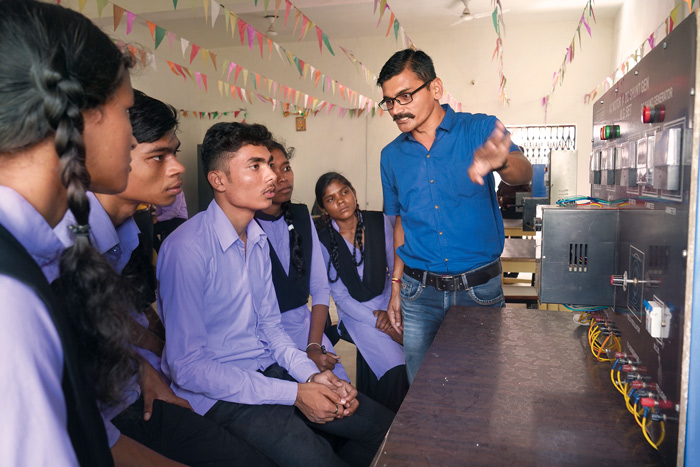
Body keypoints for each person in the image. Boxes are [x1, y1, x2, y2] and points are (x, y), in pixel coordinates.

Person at [55, 90, 275, 466]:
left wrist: (146, 364)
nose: (177, 167)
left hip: (140, 380)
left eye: (173, 152)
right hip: (107, 409)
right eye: (158, 156)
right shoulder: (69, 238)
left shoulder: (132, 229)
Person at [157, 122, 394, 466]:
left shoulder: (255, 237)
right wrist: (297, 392)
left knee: (383, 426)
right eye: (255, 166)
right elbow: (188, 368)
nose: (272, 176)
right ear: (218, 180)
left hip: (270, 369)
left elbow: (271, 329)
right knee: (320, 458)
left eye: (271, 164)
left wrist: (312, 375)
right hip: (222, 394)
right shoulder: (187, 248)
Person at [0, 1, 136, 464]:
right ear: (81, 115)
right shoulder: (8, 298)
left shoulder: (32, 252)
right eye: (126, 112)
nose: (133, 138)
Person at [377, 49, 533, 383]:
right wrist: (395, 287)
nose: (396, 109)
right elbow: (401, 223)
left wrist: (500, 162)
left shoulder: (478, 128)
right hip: (418, 295)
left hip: (479, 291)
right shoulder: (390, 156)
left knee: (481, 387)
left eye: (404, 96)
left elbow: (522, 172)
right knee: (422, 390)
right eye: (389, 101)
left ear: (435, 88)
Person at [254, 141, 349, 381]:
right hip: (262, 336)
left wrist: (314, 345)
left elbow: (319, 287)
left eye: (286, 168)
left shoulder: (301, 214)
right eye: (272, 169)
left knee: (341, 388)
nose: (282, 177)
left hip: (306, 328)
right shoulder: (246, 223)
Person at [315, 172, 408, 413]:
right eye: (331, 199)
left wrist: (390, 311)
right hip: (356, 315)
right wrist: (380, 321)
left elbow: (393, 272)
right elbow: (341, 298)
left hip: (389, 304)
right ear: (324, 209)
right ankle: (386, 426)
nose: (341, 200)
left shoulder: (379, 222)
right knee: (395, 368)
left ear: (354, 193)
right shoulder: (323, 239)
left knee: (416, 358)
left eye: (344, 192)